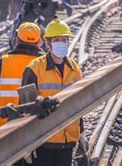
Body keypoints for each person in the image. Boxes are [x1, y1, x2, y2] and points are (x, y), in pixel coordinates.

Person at [21, 19, 83, 166]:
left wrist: (82, 134)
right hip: (43, 141)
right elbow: (25, 107)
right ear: (48, 43)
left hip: (68, 140)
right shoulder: (34, 68)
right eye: (57, 40)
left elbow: (80, 103)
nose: (61, 43)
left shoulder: (75, 69)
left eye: (64, 39)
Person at [0, 22, 45, 128]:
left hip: (5, 125)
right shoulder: (44, 63)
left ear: (17, 40)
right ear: (39, 42)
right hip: (35, 125)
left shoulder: (2, 62)